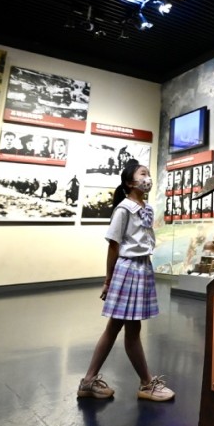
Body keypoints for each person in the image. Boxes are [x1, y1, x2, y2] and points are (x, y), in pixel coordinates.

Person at [77, 159, 175, 402]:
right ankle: (143, 383)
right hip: (129, 269)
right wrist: (108, 279)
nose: (147, 178)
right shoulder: (123, 209)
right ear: (130, 182)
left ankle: (93, 381)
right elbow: (113, 245)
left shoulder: (144, 207)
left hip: (141, 268)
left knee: (125, 329)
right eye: (142, 174)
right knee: (123, 329)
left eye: (148, 174)